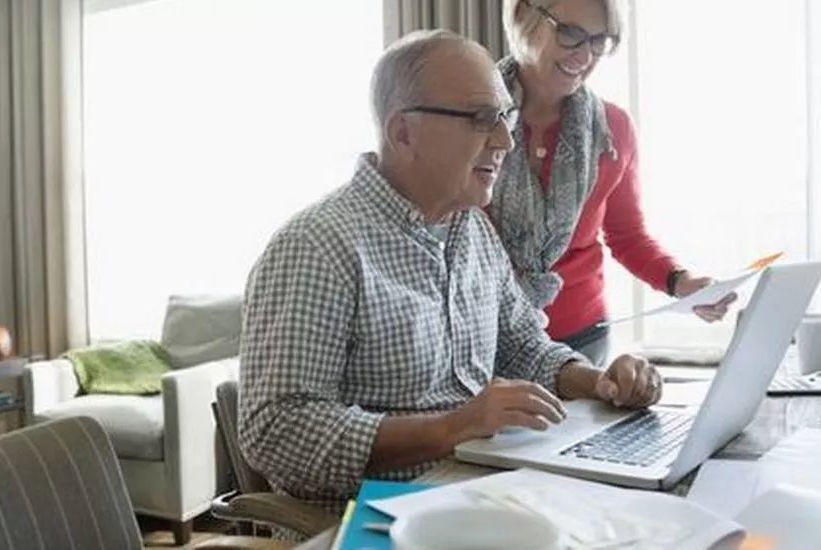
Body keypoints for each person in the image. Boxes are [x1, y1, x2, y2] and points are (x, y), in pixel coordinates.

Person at [238, 30, 662, 514]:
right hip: (377, 517)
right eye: (481, 119)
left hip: (482, 493)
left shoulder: (472, 230)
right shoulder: (317, 246)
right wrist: (452, 428)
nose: (506, 140)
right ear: (403, 133)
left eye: (505, 117)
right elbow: (276, 432)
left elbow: (523, 346)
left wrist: (599, 382)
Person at [488, 0, 736, 364]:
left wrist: (681, 283)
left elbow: (626, 235)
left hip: (584, 341)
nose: (585, 56)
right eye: (570, 33)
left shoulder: (613, 130)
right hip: (484, 339)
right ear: (522, 13)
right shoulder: (471, 118)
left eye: (599, 40)